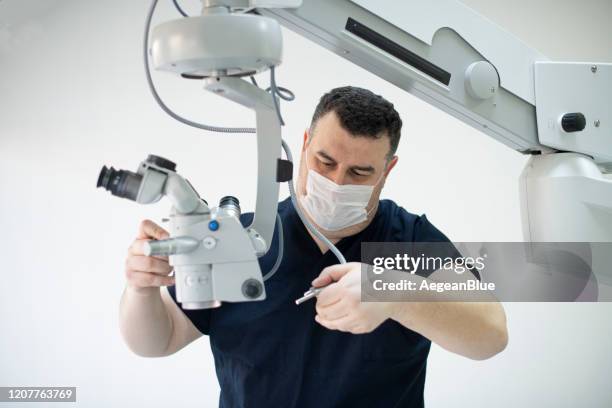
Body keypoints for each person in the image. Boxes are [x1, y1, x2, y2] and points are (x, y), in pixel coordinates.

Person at [120, 86, 508, 407]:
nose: (337, 182)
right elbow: (161, 339)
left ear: (387, 171)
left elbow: (490, 335)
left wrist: (395, 295)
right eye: (325, 162)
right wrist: (140, 288)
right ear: (304, 145)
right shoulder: (243, 238)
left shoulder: (407, 241)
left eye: (360, 172)